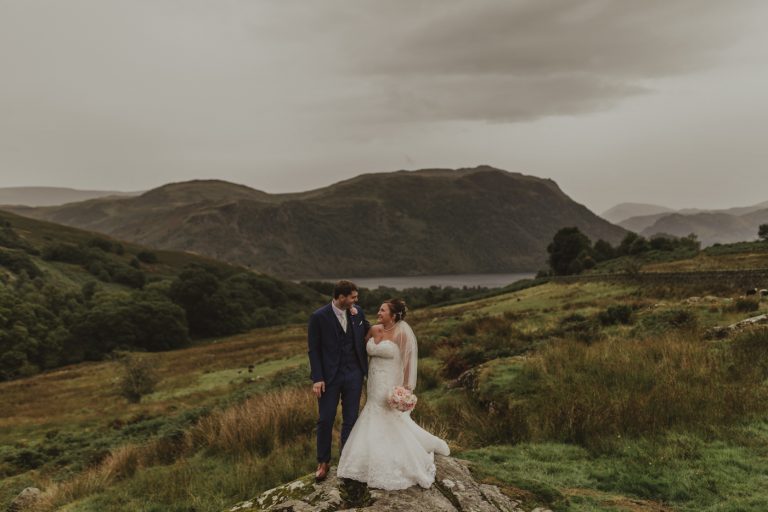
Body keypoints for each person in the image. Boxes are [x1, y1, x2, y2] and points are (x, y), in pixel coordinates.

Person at [336, 298, 450, 490]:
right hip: (373, 382)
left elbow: (407, 362)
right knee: (372, 412)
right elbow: (360, 349)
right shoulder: (374, 330)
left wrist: (405, 389)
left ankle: (396, 459)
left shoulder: (402, 333)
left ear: (393, 314)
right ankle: (365, 460)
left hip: (389, 383)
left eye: (382, 310)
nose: (378, 313)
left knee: (388, 417)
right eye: (379, 310)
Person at [307, 280, 371, 482]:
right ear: (341, 297)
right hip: (329, 378)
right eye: (353, 297)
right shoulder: (318, 317)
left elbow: (369, 331)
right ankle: (323, 462)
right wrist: (318, 378)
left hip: (354, 374)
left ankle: (346, 460)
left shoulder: (357, 312)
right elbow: (313, 349)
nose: (356, 300)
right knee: (325, 419)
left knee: (351, 419)